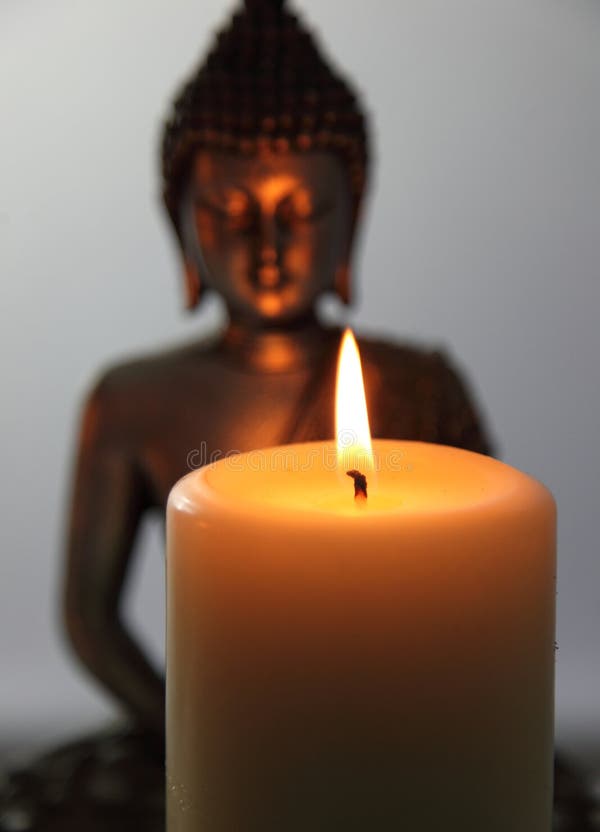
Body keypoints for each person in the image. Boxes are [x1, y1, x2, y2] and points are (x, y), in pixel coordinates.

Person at [63, 0, 492, 732]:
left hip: (396, 723)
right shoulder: (132, 401)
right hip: (212, 727)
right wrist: (192, 734)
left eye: (302, 212)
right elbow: (88, 619)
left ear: (352, 217)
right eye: (230, 213)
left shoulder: (420, 389)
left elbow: (487, 593)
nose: (268, 245)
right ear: (181, 225)